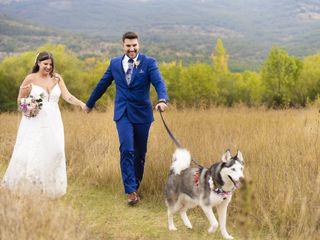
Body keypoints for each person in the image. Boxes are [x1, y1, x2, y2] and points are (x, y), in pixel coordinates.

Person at [84, 32, 169, 205]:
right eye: (128, 46)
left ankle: (135, 186)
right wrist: (89, 104)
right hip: (123, 113)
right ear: (123, 46)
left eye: (134, 45)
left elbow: (159, 82)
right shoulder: (115, 64)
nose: (132, 49)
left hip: (143, 115)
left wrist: (162, 99)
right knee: (127, 149)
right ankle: (130, 191)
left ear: (139, 44)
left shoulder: (149, 63)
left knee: (140, 153)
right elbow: (102, 84)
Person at [2, 51, 86, 199]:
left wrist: (81, 104)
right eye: (45, 64)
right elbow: (19, 100)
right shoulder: (31, 78)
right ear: (38, 63)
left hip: (54, 121)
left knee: (57, 150)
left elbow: (67, 96)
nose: (48, 67)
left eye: (50, 64)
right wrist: (28, 106)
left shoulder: (57, 78)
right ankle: (31, 188)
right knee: (34, 152)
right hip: (34, 121)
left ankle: (51, 187)